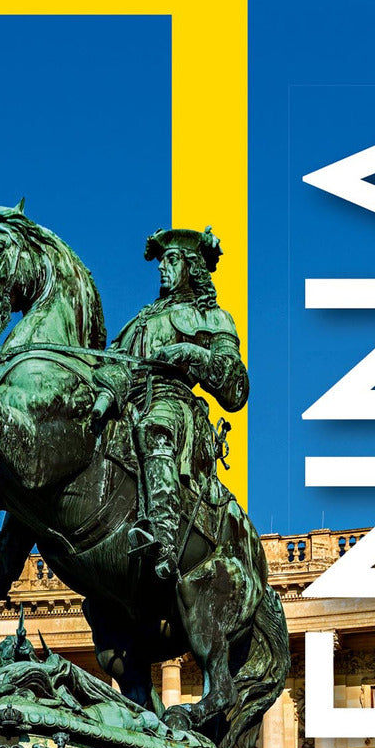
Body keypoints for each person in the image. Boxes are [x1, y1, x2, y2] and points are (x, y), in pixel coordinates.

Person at [92, 226, 249, 581]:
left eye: (172, 259)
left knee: (155, 428)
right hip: (125, 400)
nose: (162, 267)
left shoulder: (212, 317)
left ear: (192, 266)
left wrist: (192, 353)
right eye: (161, 261)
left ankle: (163, 537)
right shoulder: (140, 319)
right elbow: (112, 361)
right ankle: (9, 551)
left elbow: (237, 387)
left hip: (173, 401)